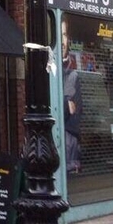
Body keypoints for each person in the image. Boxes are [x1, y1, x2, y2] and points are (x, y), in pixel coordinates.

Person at [62, 18, 82, 173]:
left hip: (68, 136)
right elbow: (66, 106)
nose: (62, 41)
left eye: (64, 35)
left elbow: (72, 109)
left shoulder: (72, 74)